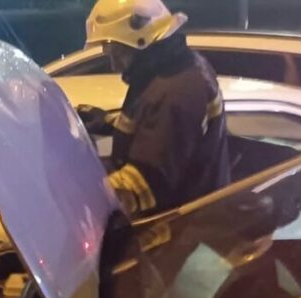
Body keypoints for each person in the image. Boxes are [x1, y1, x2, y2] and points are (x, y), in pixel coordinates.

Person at [76, 0, 230, 218]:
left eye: (117, 51)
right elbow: (152, 122)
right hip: (185, 220)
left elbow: (145, 183)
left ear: (141, 42)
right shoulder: (171, 71)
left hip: (181, 233)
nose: (114, 64)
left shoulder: (176, 91)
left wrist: (76, 194)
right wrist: (103, 121)